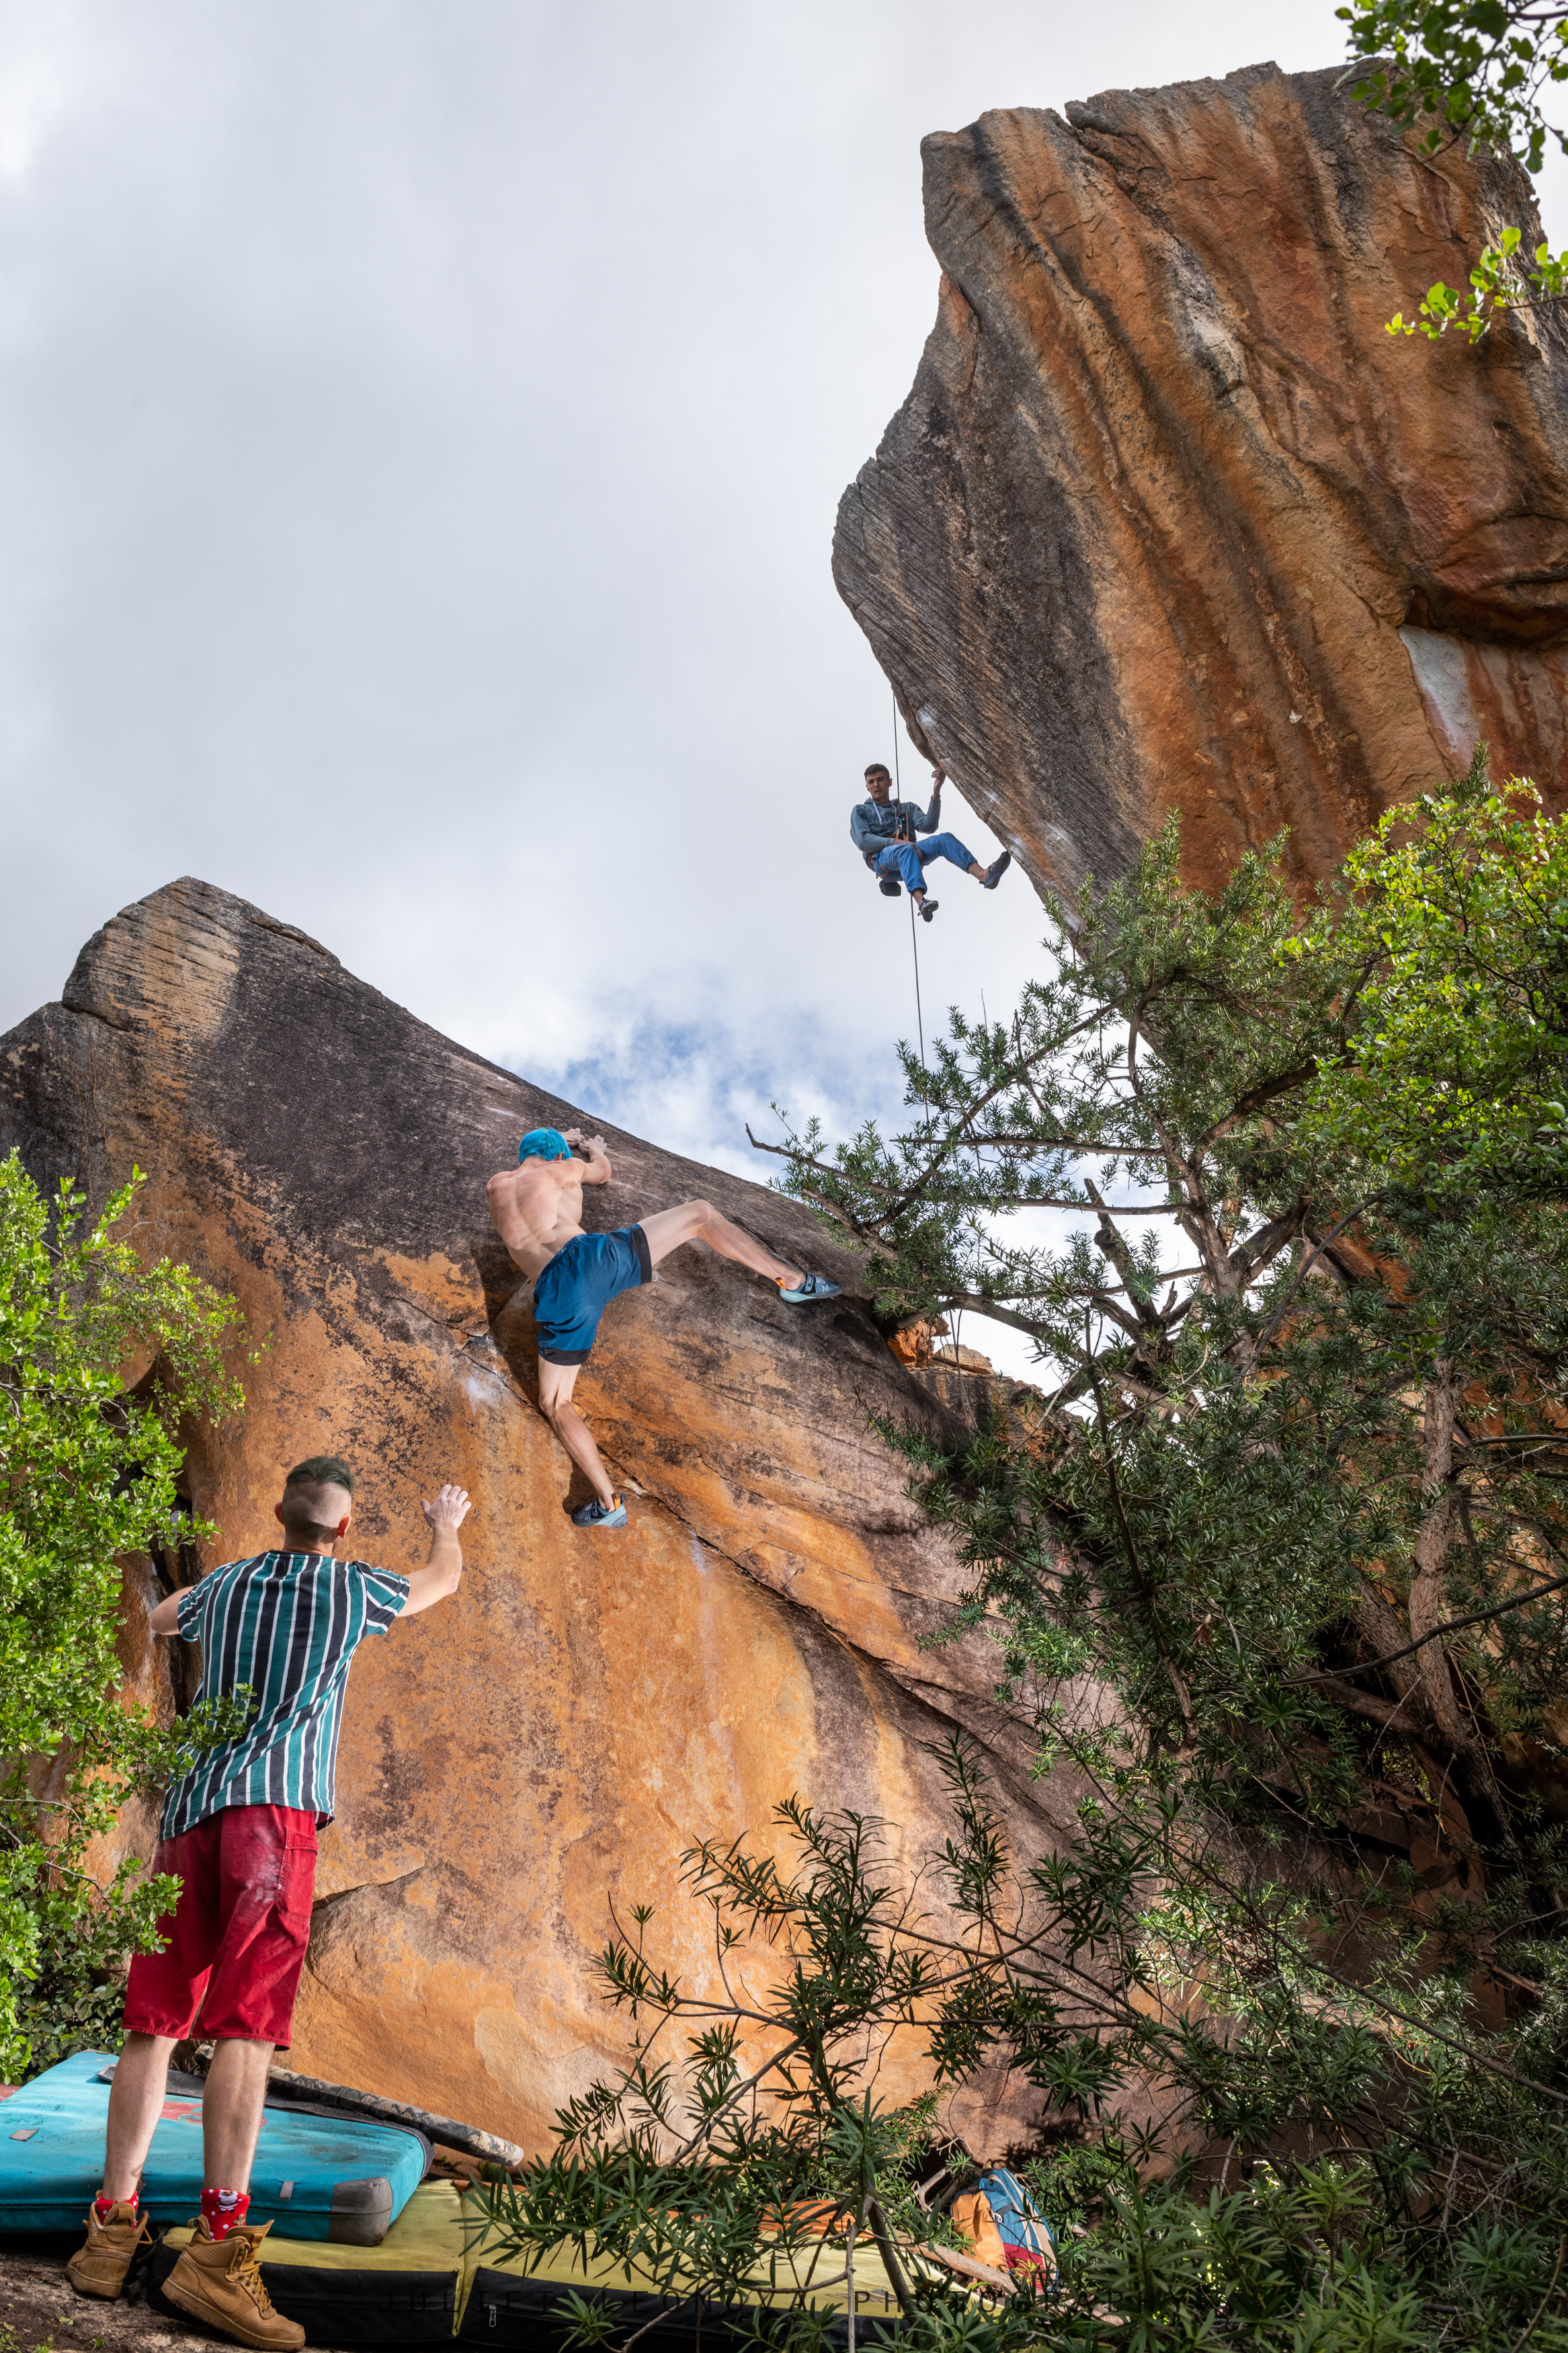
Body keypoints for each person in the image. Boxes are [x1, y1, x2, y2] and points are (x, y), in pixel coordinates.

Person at [67, 1458, 472, 2350]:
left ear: (280, 1513)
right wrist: (446, 1519)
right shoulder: (352, 1588)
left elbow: (164, 1619)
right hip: (272, 1825)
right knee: (245, 2032)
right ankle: (215, 2254)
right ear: (344, 1528)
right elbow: (439, 1583)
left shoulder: (234, 1580)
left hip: (189, 1818)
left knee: (154, 2024)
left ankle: (108, 2235)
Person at [487, 1127, 841, 1530]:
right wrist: (591, 1149)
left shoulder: (496, 1187)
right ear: (556, 1155)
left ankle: (608, 1502)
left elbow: (531, 1166)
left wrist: (555, 1138)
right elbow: (601, 1173)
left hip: (555, 1292)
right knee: (700, 1214)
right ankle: (793, 1282)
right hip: (591, 1260)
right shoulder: (562, 1169)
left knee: (555, 1403)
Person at [850, 760, 1011, 922]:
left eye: (881, 779)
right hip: (882, 860)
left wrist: (936, 792)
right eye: (871, 782)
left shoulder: (905, 808)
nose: (876, 785)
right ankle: (922, 902)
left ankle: (984, 876)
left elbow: (929, 826)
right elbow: (863, 840)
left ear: (890, 782)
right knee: (906, 850)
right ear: (867, 787)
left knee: (943, 839)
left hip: (910, 855)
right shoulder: (861, 811)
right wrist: (897, 843)